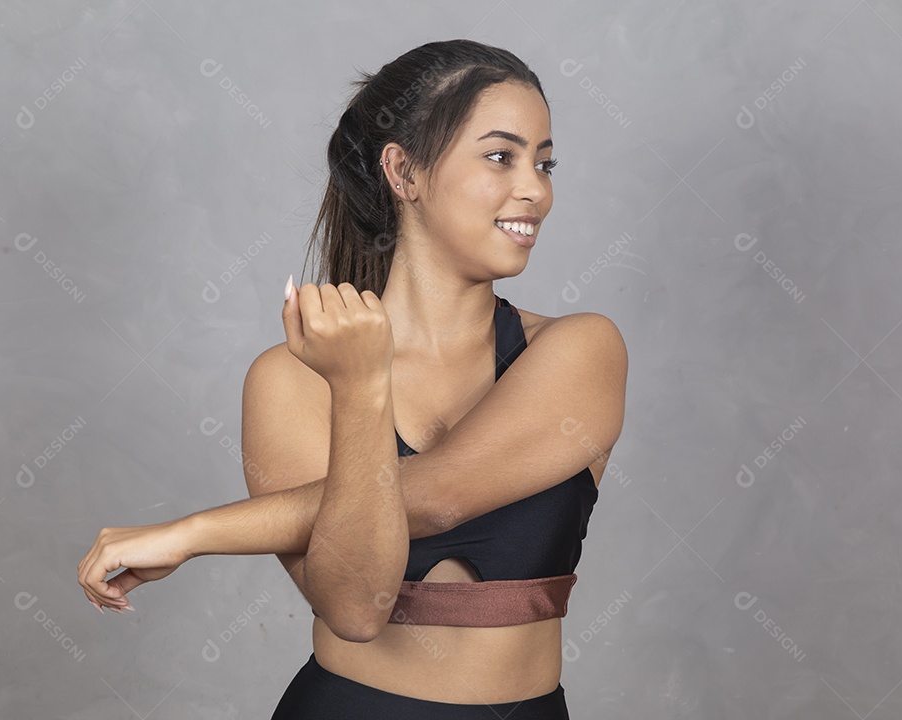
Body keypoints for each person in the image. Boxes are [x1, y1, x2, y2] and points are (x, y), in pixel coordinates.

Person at [77, 39, 627, 717]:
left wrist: (195, 533)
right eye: (500, 156)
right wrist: (362, 389)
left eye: (544, 163)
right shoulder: (290, 380)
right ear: (405, 171)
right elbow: (357, 607)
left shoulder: (581, 349)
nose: (535, 189)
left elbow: (442, 495)